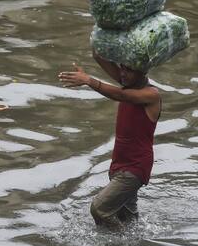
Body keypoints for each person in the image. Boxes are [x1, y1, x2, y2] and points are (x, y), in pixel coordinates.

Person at [58, 50, 161, 229]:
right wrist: (99, 37)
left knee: (100, 209)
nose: (122, 73)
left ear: (142, 71)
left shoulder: (151, 95)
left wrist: (89, 80)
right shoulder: (128, 81)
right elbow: (99, 56)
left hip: (135, 167)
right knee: (127, 218)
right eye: (121, 69)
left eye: (128, 70)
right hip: (119, 163)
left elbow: (121, 95)